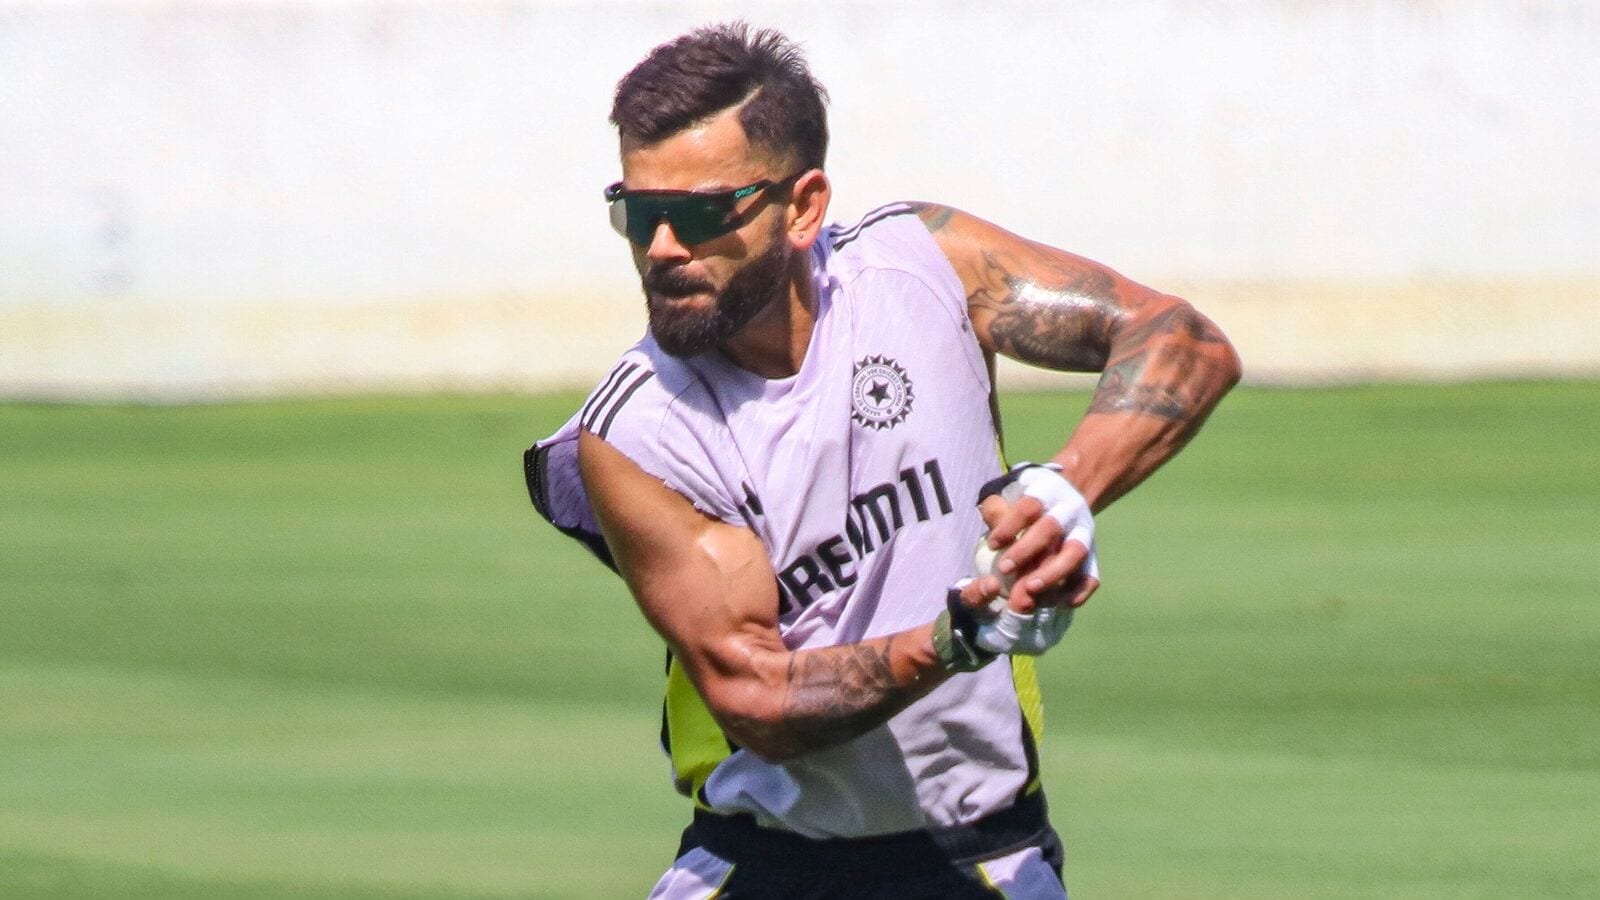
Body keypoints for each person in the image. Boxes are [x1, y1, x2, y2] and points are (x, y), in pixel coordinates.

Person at [525, 22, 1240, 899]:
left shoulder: (927, 267)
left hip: (986, 853)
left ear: (803, 206)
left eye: (702, 214)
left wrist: (1062, 495)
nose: (664, 247)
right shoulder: (636, 433)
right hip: (763, 864)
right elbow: (759, 702)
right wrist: (958, 634)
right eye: (639, 213)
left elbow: (1181, 340)